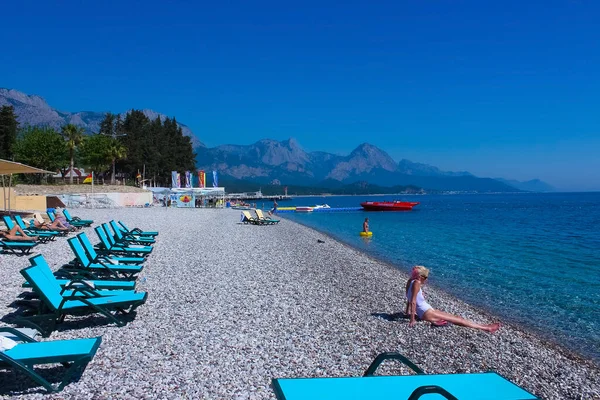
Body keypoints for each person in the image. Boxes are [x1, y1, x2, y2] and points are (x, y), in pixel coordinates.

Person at [405, 265, 500, 333]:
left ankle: (484, 326)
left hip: (426, 311)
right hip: (426, 312)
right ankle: (486, 328)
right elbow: (413, 301)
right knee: (458, 320)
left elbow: (408, 298)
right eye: (426, 277)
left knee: (456, 318)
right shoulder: (417, 283)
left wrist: (407, 312)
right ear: (420, 277)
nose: (427, 279)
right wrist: (412, 319)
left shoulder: (410, 281)